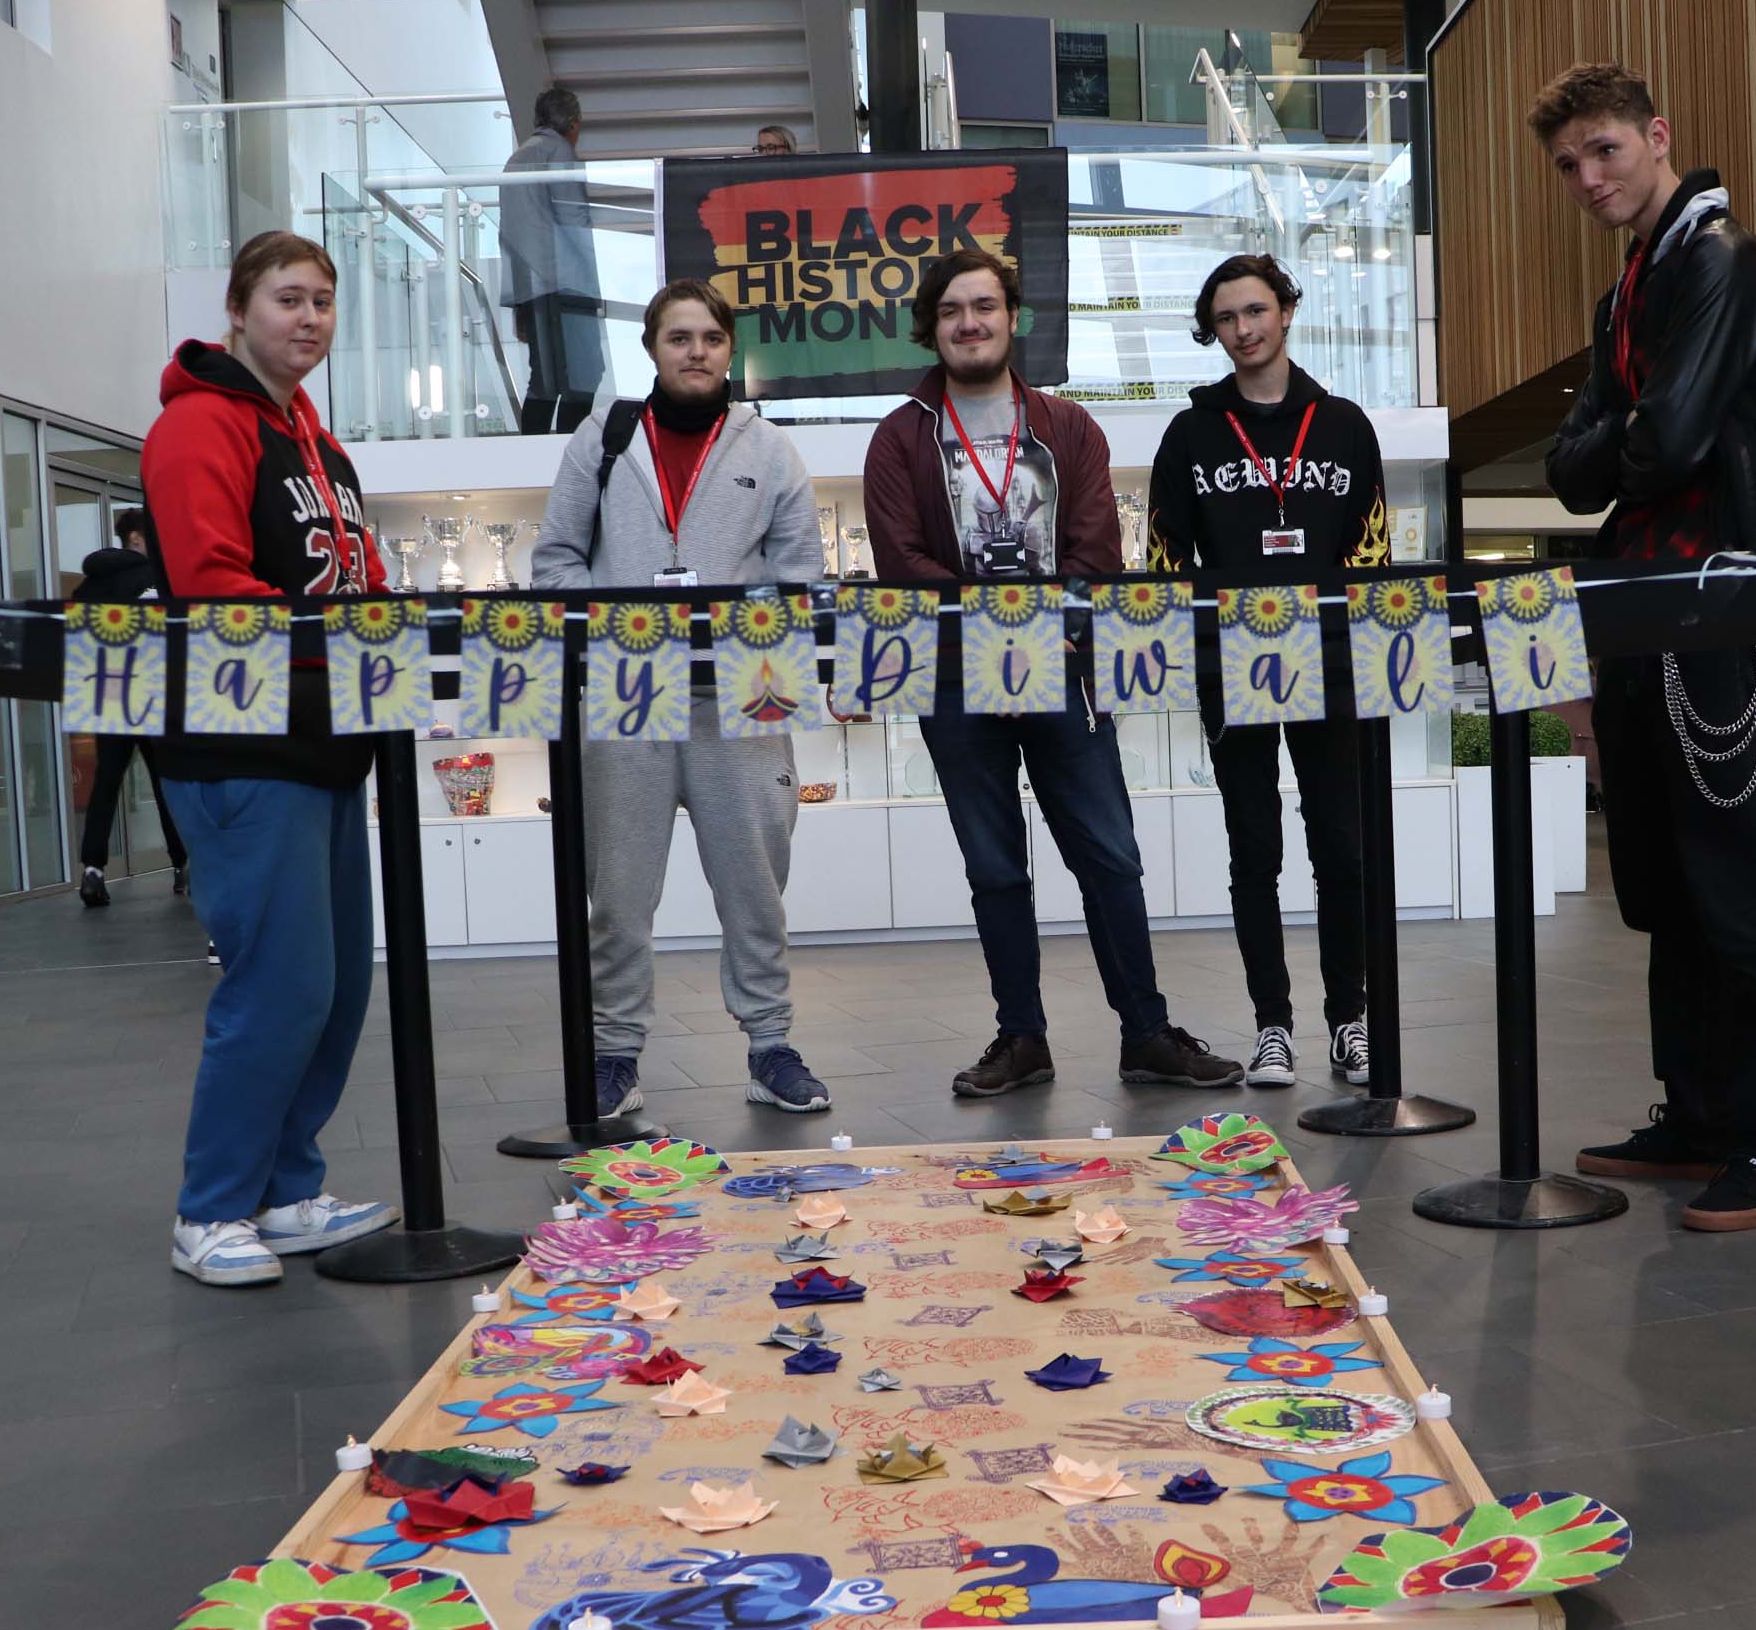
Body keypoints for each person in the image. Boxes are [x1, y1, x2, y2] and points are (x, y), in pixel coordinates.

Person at [1536, 62, 1756, 1232]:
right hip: (1647, 604)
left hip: (1723, 600)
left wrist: (1621, 436)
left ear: (1656, 135)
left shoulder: (1722, 260)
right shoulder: (1625, 295)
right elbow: (1568, 468)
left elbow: (1668, 440)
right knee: (1664, 880)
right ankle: (1696, 1114)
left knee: (1736, 876)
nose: (1588, 177)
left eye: (1603, 149)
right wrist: (1623, 437)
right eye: (1568, 164)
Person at [863, 246, 1242, 1097]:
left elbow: (1096, 551)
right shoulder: (899, 438)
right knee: (995, 868)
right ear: (931, 327)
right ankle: (1021, 1038)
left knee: (1110, 858)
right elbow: (902, 563)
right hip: (956, 680)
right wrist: (995, 635)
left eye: (984, 306)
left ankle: (1146, 1033)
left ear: (1011, 317)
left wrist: (1039, 635)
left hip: (1065, 672)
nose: (970, 323)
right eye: (953, 310)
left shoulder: (1068, 428)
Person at [141, 229, 401, 1285]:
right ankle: (209, 1210)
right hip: (240, 745)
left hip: (325, 741)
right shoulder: (200, 424)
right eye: (288, 298)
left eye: (322, 302)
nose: (308, 318)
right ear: (239, 308)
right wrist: (354, 642)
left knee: (333, 990)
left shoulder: (319, 444)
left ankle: (287, 1188)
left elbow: (363, 576)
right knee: (279, 987)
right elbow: (212, 585)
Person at [532, 277, 833, 1117]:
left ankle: (770, 1047)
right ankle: (614, 1055)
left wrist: (745, 634)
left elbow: (801, 575)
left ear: (729, 349)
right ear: (652, 349)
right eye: (678, 338)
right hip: (628, 689)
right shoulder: (603, 437)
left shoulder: (769, 449)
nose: (696, 352)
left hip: (747, 693)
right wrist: (621, 627)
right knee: (619, 896)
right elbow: (555, 561)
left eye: (710, 338)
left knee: (756, 890)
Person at [1147, 253, 1391, 1090]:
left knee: (1342, 850)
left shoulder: (1345, 425)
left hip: (1330, 664)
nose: (1243, 330)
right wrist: (1197, 646)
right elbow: (1165, 558)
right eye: (1226, 318)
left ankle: (1350, 1020)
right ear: (1212, 331)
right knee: (1255, 850)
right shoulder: (1191, 434)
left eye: (1255, 311)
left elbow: (1370, 551)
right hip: (1234, 664)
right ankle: (1273, 1027)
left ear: (1286, 311)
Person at [73, 505, 188, 906]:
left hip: (108, 692)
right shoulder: (154, 579)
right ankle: (181, 865)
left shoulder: (87, 587)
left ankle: (92, 870)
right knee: (164, 781)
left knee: (106, 781)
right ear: (137, 539)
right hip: (153, 692)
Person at [499, 86, 606, 435]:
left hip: (531, 286)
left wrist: (518, 304)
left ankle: (531, 448)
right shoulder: (560, 151)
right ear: (573, 123)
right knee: (586, 373)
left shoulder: (516, 158)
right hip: (567, 283)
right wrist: (599, 283)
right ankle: (566, 446)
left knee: (544, 377)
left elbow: (509, 233)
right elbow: (575, 221)